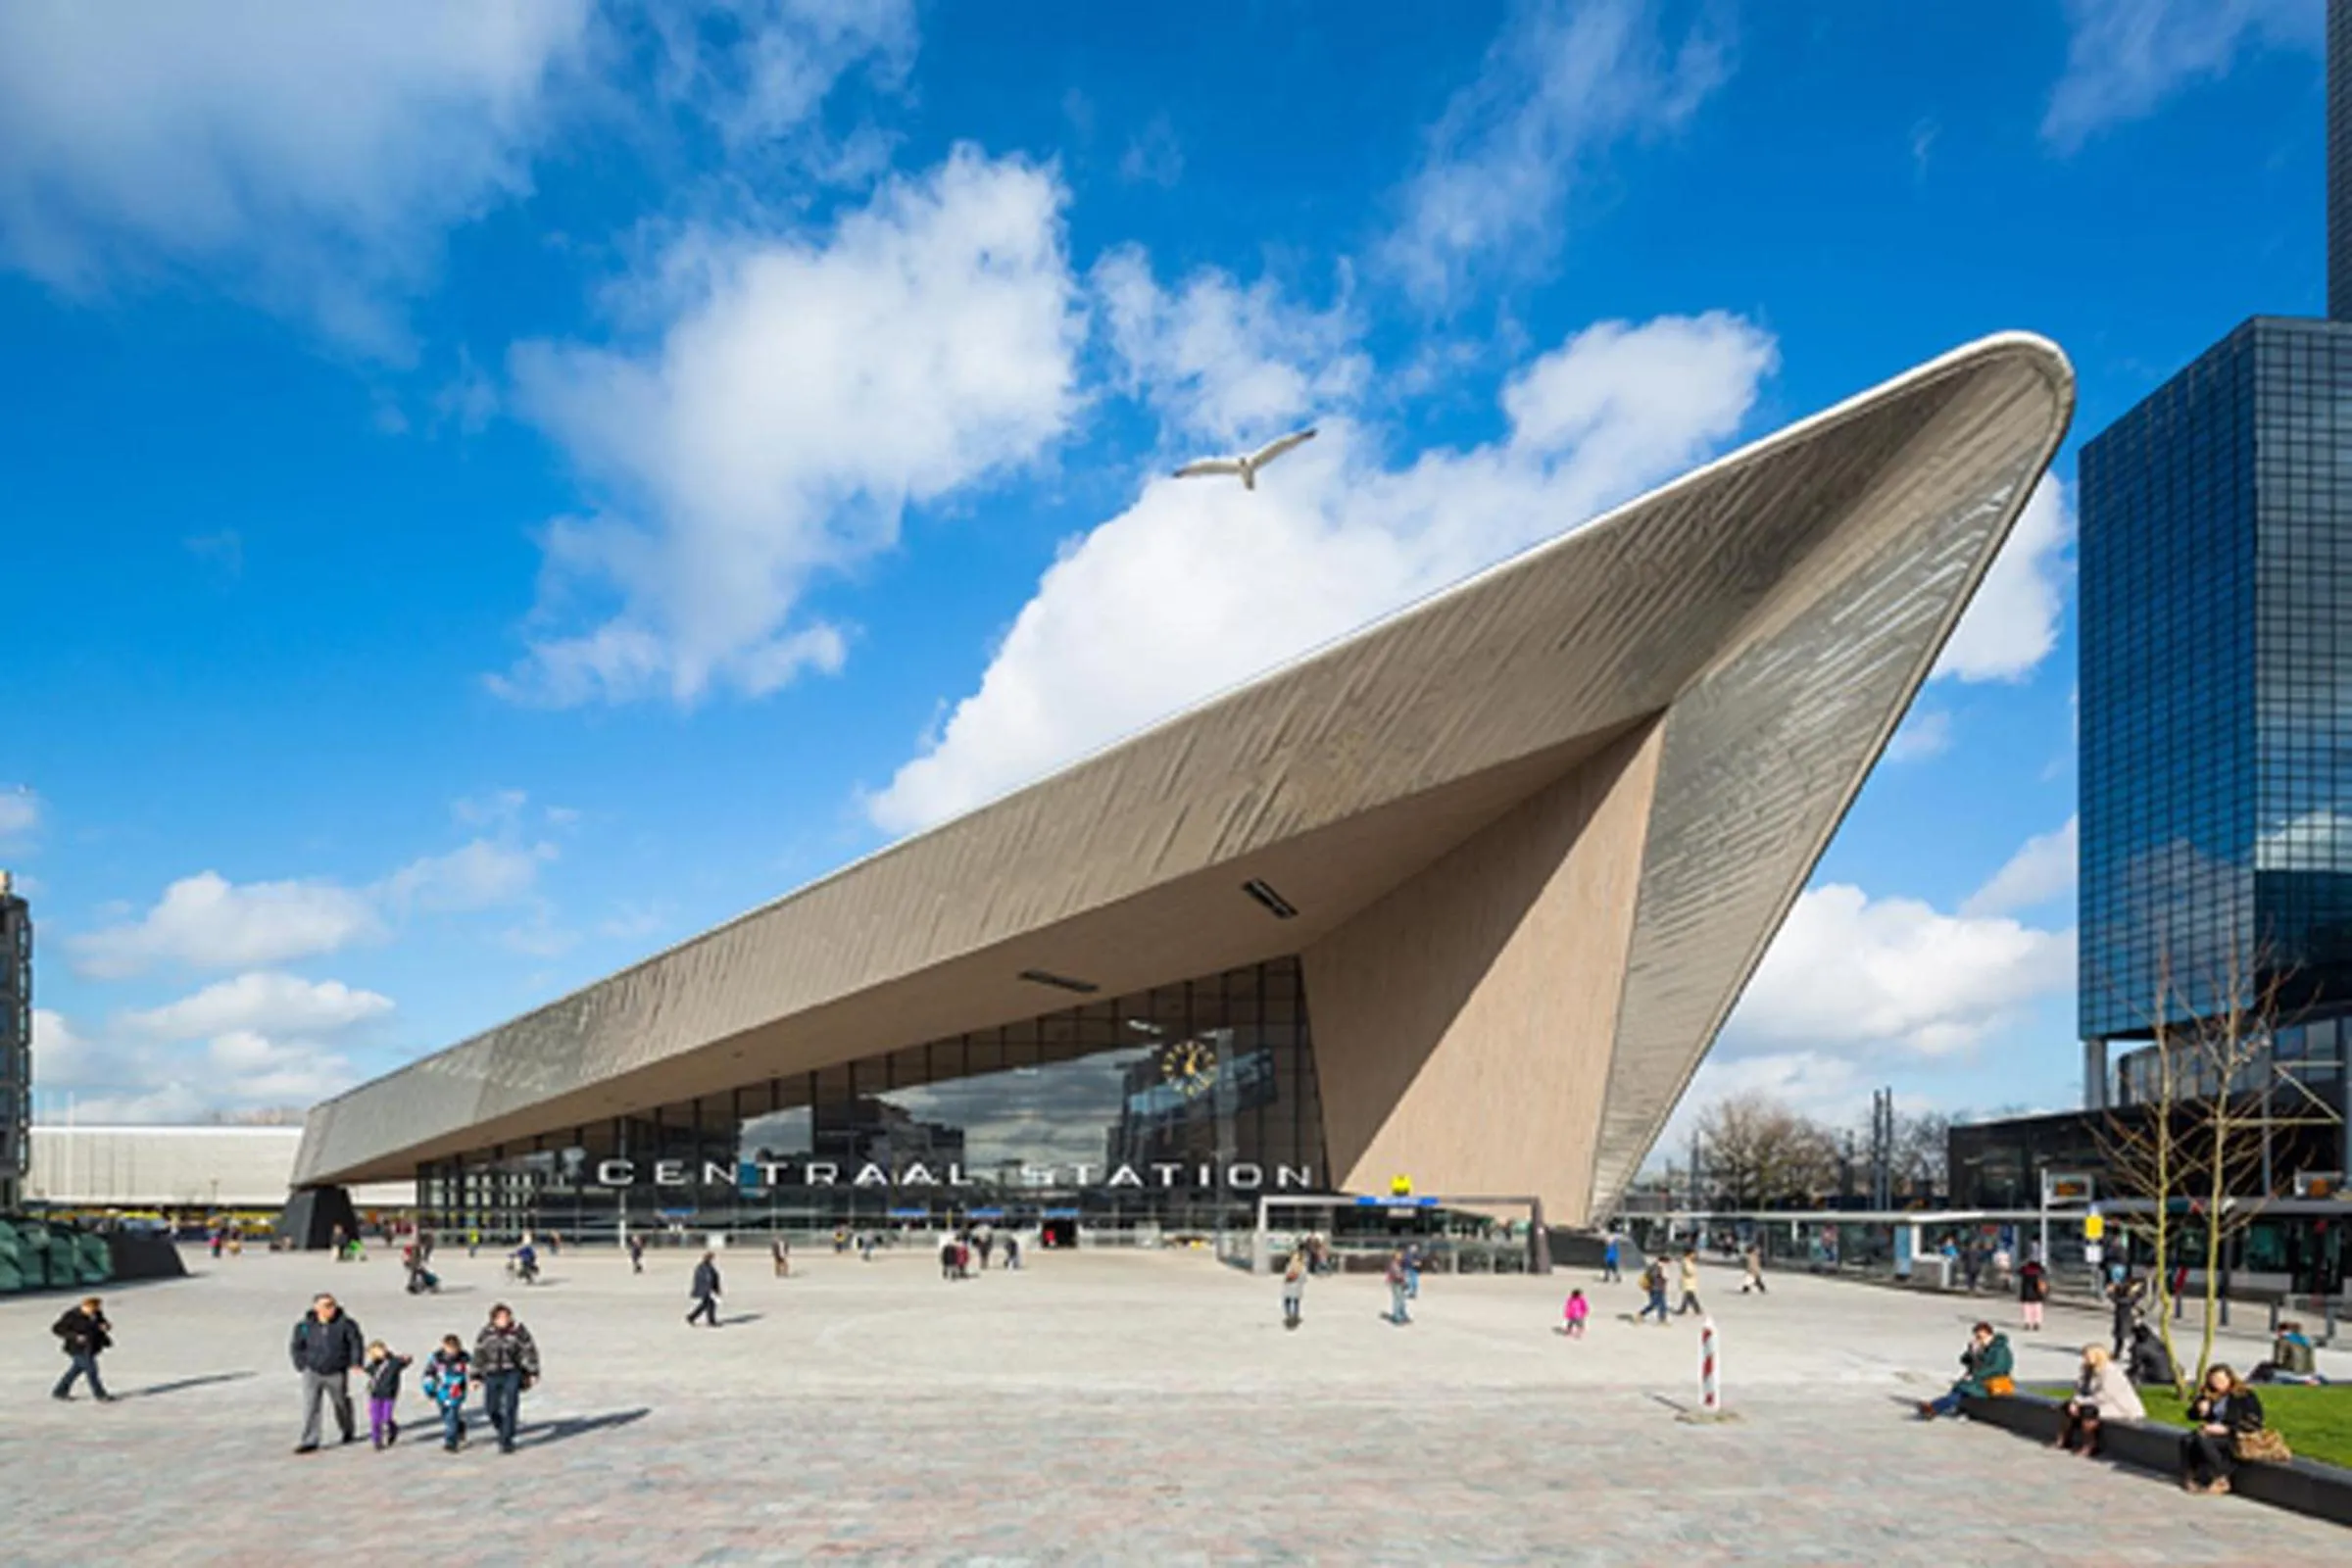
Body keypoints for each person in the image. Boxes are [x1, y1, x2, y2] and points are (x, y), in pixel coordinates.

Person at [289, 1292, 367, 1453]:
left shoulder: (346, 1324)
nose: (331, 1309)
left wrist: (356, 1362)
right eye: (327, 1305)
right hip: (312, 1371)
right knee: (311, 1406)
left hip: (336, 1371)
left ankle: (347, 1429)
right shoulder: (304, 1326)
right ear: (316, 1308)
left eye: (333, 1305)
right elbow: (296, 1346)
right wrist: (301, 1364)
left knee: (341, 1403)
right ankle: (310, 1440)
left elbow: (355, 1342)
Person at [2180, 1364, 2266, 1494]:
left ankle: (2221, 1478)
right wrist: (2200, 1410)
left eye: (2221, 1380)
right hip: (2212, 1431)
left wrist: (2227, 1429)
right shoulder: (2209, 1395)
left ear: (2230, 1378)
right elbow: (2191, 1415)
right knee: (2187, 1440)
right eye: (2214, 1381)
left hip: (2235, 1434)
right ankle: (2192, 1476)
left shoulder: (2244, 1395)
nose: (2217, 1384)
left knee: (2203, 1439)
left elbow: (2254, 1421)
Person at [2054, 1344, 2144, 1457]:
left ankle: (2090, 1445)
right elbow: (2079, 1388)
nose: (2084, 1358)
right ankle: (2063, 1440)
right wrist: (2075, 1401)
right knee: (2066, 1407)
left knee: (2089, 1412)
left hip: (2118, 1406)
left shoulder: (2110, 1371)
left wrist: (2081, 1402)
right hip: (2094, 1401)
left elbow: (2105, 1395)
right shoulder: (2085, 1369)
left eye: (2087, 1356)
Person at [473, 1302, 539, 1455]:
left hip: (512, 1372)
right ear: (494, 1319)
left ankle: (506, 1440)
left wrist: (532, 1372)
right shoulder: (486, 1333)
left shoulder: (519, 1332)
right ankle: (504, 1428)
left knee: (510, 1405)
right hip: (491, 1373)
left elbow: (529, 1352)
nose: (504, 1320)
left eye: (507, 1316)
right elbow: (478, 1354)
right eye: (501, 1317)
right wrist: (475, 1376)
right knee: (491, 1408)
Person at [1916, 1321, 2014, 1419]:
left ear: (1990, 1335)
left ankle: (1934, 1407)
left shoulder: (2000, 1349)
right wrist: (1972, 1352)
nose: (1979, 1340)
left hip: (1992, 1382)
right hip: (1979, 1380)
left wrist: (1975, 1375)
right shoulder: (1982, 1347)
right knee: (1960, 1388)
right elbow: (1964, 1360)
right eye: (1977, 1337)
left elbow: (1997, 1368)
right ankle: (1936, 1407)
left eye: (1981, 1337)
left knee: (1964, 1390)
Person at [50, 1296, 115, 1403]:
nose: (93, 1311)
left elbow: (102, 1323)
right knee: (92, 1371)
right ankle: (100, 1395)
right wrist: (75, 1336)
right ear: (85, 1306)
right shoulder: (72, 1315)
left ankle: (59, 1391)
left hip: (91, 1346)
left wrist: (105, 1326)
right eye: (91, 1309)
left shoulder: (96, 1313)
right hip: (77, 1348)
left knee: (75, 1370)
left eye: (96, 1308)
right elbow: (57, 1329)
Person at [421, 1334, 471, 1452]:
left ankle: (451, 1442)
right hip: (441, 1390)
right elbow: (429, 1372)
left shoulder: (464, 1358)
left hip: (456, 1390)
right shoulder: (437, 1358)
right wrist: (429, 1387)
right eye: (449, 1348)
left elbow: (474, 1369)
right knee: (445, 1414)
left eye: (454, 1348)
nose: (452, 1351)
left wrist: (475, 1378)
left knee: (451, 1415)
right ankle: (459, 1426)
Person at [362, 1340, 412, 1449]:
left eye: (380, 1350)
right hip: (375, 1394)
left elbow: (404, 1362)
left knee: (386, 1417)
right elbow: (367, 1370)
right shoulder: (373, 1365)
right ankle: (377, 1441)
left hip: (389, 1394)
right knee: (375, 1419)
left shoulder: (393, 1362)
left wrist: (407, 1359)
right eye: (375, 1352)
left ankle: (393, 1429)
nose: (379, 1353)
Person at [2250, 1321, 2325, 1386]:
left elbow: (2278, 1361)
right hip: (2309, 1374)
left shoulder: (2282, 1341)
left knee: (2263, 1367)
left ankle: (2250, 1384)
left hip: (2291, 1374)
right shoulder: (2308, 1341)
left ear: (2280, 1331)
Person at [2128, 1321, 2178, 1390]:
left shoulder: (2138, 1348)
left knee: (2136, 1375)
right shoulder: (2155, 1340)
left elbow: (2135, 1367)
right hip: (2172, 1376)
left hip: (2158, 1378)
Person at [2107, 1269, 2144, 1358]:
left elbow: (2121, 1300)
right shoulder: (2124, 1289)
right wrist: (2111, 1292)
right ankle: (2117, 1354)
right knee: (2120, 1337)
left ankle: (2134, 1355)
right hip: (2122, 1315)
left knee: (2129, 1337)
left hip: (2127, 1316)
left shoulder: (2133, 1293)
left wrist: (2110, 1293)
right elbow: (2117, 1299)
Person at [688, 1250, 723, 1327]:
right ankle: (711, 1321)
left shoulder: (704, 1266)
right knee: (710, 1304)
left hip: (706, 1289)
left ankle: (691, 1317)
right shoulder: (705, 1267)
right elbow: (709, 1279)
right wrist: (713, 1289)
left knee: (705, 1305)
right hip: (707, 1290)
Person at [2018, 1254, 2049, 1332]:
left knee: (2027, 1308)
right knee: (2037, 1308)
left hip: (2026, 1292)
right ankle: (2037, 1322)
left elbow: (2018, 1272)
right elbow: (2045, 1275)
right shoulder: (2040, 1270)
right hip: (2037, 1292)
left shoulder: (2024, 1269)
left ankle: (2027, 1322)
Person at [1638, 1257, 1671, 1325]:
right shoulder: (1655, 1267)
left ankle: (1662, 1320)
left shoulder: (1660, 1267)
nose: (1668, 1265)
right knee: (1654, 1304)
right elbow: (1653, 1276)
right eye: (1667, 1263)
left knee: (1663, 1305)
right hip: (1654, 1288)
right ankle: (1641, 1314)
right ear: (1663, 1261)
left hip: (1660, 1288)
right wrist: (1661, 1275)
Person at [1281, 1249, 1307, 1330]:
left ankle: (1288, 1314)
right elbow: (1304, 1279)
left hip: (1289, 1288)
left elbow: (1285, 1277)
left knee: (1287, 1301)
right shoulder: (1302, 1267)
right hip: (1298, 1288)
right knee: (1296, 1302)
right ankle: (1295, 1316)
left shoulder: (1289, 1266)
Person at [1385, 1250, 1412, 1325]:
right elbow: (1397, 1275)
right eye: (1399, 1256)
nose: (1401, 1257)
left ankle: (1403, 1315)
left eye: (1401, 1256)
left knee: (1402, 1300)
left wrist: (1405, 1280)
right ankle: (1396, 1317)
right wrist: (1404, 1278)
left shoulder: (1401, 1264)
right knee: (1397, 1300)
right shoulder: (1394, 1264)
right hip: (1395, 1283)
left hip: (1401, 1283)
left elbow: (1404, 1272)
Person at [1675, 1250, 1704, 1316]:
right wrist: (1694, 1271)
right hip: (1687, 1282)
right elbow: (1689, 1271)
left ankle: (1694, 1309)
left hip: (1689, 1282)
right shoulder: (1685, 1262)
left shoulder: (1688, 1261)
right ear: (1689, 1254)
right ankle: (1688, 1310)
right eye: (1693, 1254)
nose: (1694, 1255)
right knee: (1689, 1296)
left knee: (1690, 1296)